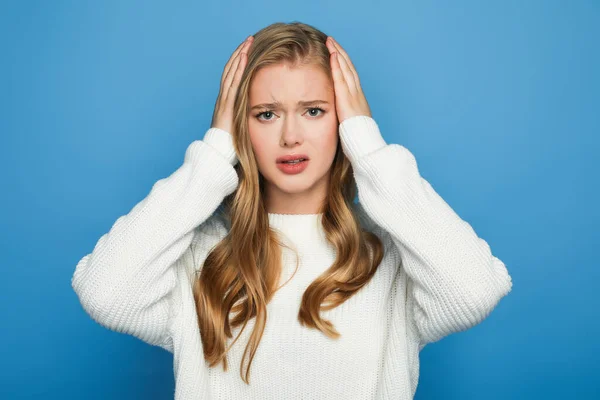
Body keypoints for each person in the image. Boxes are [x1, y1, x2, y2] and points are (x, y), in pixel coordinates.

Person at [71, 21, 513, 399]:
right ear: (238, 124)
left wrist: (370, 149)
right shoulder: (199, 254)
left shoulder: (391, 255)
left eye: (314, 111)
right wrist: (212, 154)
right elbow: (105, 295)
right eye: (266, 114)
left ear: (344, 121)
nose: (290, 136)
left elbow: (473, 292)